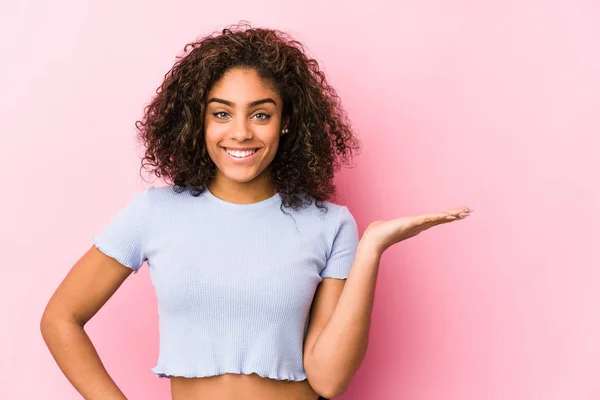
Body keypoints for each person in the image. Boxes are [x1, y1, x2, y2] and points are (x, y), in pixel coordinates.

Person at [40, 22, 473, 400]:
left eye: (260, 114)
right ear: (199, 121)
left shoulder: (330, 224)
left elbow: (330, 380)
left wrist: (372, 247)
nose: (241, 132)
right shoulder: (155, 212)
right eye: (222, 113)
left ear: (286, 121)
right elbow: (61, 318)